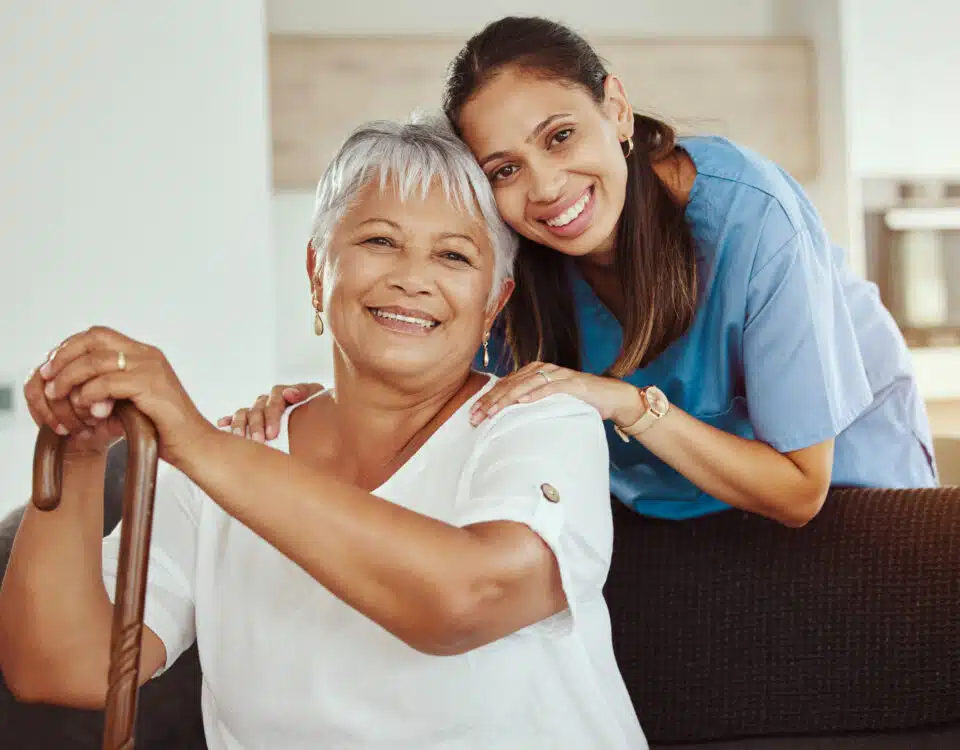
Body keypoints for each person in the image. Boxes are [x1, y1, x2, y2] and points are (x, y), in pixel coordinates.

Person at [0, 116, 647, 749]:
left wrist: (200, 444)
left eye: (453, 255)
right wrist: (79, 456)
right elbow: (61, 669)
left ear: (493, 303)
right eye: (379, 242)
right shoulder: (227, 461)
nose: (413, 278)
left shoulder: (540, 422)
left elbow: (467, 598)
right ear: (317, 270)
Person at [225, 16, 938, 528]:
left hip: (841, 486)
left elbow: (798, 491)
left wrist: (626, 404)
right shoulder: (509, 257)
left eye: (560, 136)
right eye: (505, 168)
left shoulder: (751, 217)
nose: (546, 187)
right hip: (668, 509)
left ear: (616, 109)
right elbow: (435, 393)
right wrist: (309, 414)